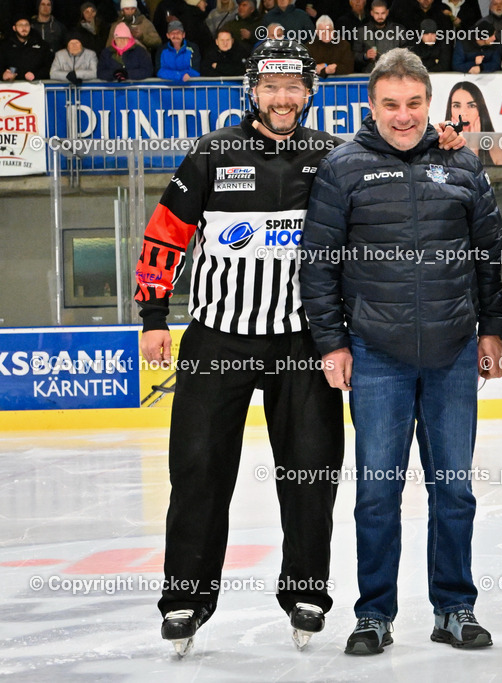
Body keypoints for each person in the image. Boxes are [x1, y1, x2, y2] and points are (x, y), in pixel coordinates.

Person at [136, 39, 344, 658]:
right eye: (271, 87)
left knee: (311, 470)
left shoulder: (332, 157)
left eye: (294, 87)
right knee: (199, 471)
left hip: (303, 343)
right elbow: (164, 236)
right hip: (216, 338)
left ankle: (306, 592)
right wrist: (153, 317)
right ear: (252, 90)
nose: (283, 98)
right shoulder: (211, 152)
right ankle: (184, 599)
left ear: (309, 92)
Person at [300, 47, 502, 657]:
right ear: (371, 104)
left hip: (451, 352)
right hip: (376, 355)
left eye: (414, 103)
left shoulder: (461, 163)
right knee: (376, 491)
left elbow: (490, 256)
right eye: (390, 104)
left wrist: (493, 330)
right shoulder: (343, 167)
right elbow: (318, 262)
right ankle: (374, 614)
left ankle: (455, 608)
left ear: (429, 101)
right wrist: (332, 341)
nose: (403, 116)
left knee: (454, 489)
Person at [445, 80, 502, 166]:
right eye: (456, 106)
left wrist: (473, 150)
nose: (464, 113)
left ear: (480, 110)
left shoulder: (498, 152)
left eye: (471, 106)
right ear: (450, 110)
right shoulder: (439, 146)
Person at [352, 0, 410, 72]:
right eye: (377, 13)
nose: (380, 16)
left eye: (383, 13)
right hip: (371, 74)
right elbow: (354, 55)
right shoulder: (362, 31)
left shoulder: (398, 30)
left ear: (387, 12)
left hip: (394, 73)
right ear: (372, 13)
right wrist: (365, 56)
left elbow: (407, 54)